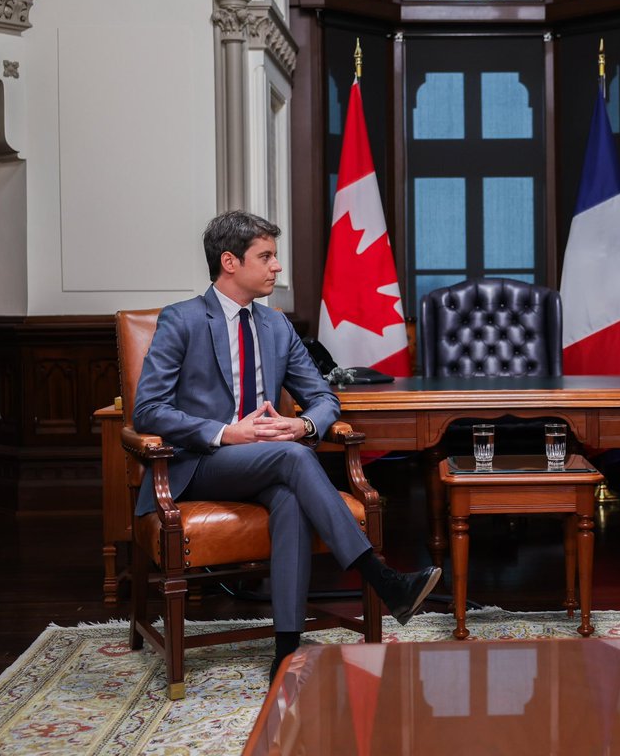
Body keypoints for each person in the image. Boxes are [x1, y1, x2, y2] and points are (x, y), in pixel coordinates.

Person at [133, 210, 440, 679]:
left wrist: (305, 427)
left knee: (291, 493)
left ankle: (286, 647)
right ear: (230, 262)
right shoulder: (183, 320)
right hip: (201, 464)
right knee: (292, 460)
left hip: (269, 463)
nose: (277, 266)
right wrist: (226, 432)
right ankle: (382, 579)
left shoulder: (277, 326)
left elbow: (322, 397)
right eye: (267, 256)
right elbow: (148, 410)